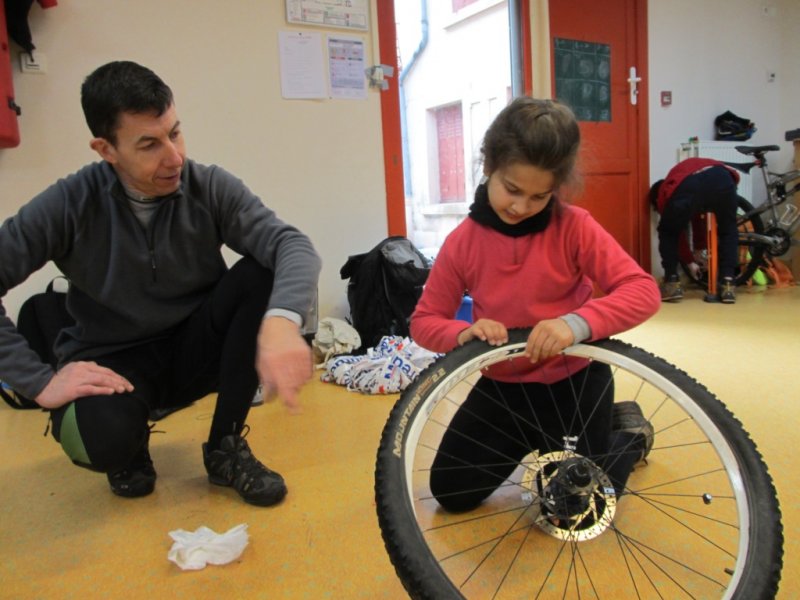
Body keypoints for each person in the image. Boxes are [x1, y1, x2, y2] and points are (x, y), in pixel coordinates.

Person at [0, 61, 322, 506]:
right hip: (115, 365)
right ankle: (129, 449)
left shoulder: (207, 186)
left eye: (175, 133)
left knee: (262, 271)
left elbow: (293, 245)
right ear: (106, 149)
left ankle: (225, 446)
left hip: (194, 348)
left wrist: (283, 322)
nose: (174, 157)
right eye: (149, 144)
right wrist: (37, 382)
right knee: (95, 441)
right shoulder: (69, 204)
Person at [409, 97, 661, 517]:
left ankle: (628, 437)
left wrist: (576, 323)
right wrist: (462, 334)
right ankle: (544, 442)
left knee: (576, 511)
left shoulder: (575, 226)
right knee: (451, 492)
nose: (520, 207)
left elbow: (642, 290)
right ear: (489, 165)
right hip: (504, 389)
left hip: (575, 384)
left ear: (555, 188)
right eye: (511, 189)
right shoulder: (462, 242)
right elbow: (423, 322)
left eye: (539, 196)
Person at [650, 157, 742, 303]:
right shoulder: (680, 175)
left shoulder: (665, 190)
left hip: (690, 185)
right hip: (723, 178)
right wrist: (698, 250)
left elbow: (675, 232)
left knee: (667, 231)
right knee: (728, 230)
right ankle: (728, 284)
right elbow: (697, 217)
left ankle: (671, 284)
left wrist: (689, 261)